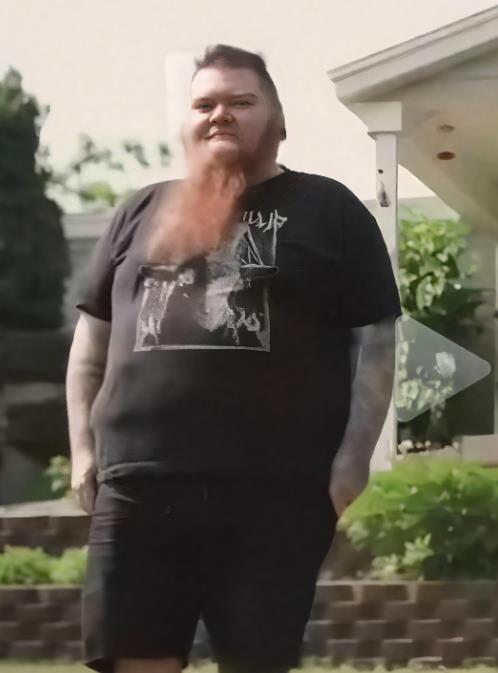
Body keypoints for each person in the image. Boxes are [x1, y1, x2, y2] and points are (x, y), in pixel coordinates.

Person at [66, 44, 402, 673]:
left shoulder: (329, 208)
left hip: (277, 492)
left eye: (241, 102)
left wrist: (353, 461)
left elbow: (376, 342)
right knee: (133, 661)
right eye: (204, 104)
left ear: (278, 122)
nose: (220, 114)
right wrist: (83, 450)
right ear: (186, 124)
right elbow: (91, 341)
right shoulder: (140, 210)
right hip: (139, 489)